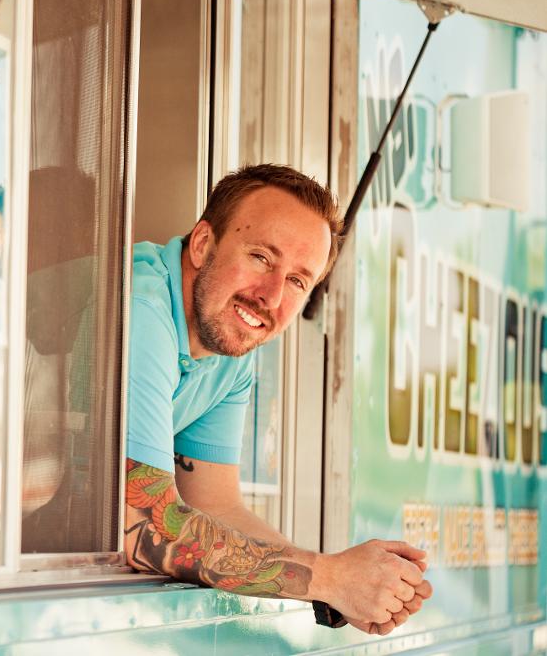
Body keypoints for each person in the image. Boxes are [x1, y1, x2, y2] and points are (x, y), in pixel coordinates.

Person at [124, 164, 433, 635]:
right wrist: (332, 578)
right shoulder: (141, 311)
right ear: (203, 243)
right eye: (261, 258)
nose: (270, 296)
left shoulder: (228, 349)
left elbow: (215, 504)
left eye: (297, 281)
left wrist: (335, 591)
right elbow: (149, 529)